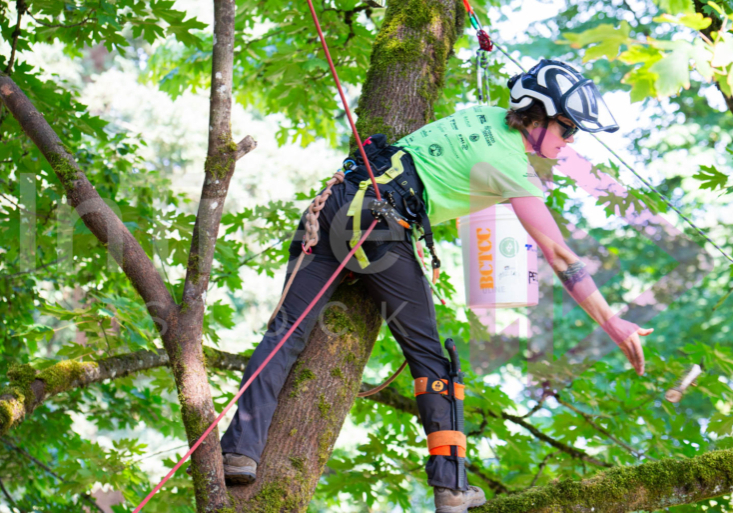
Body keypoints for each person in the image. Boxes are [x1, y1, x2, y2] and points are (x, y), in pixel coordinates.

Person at [217, 59, 654, 513]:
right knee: (432, 361)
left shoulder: (481, 115)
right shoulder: (511, 167)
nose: (569, 142)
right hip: (380, 225)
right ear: (538, 116)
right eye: (567, 129)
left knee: (285, 332)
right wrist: (611, 321)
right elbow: (559, 254)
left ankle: (239, 452)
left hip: (334, 205)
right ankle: (451, 488)